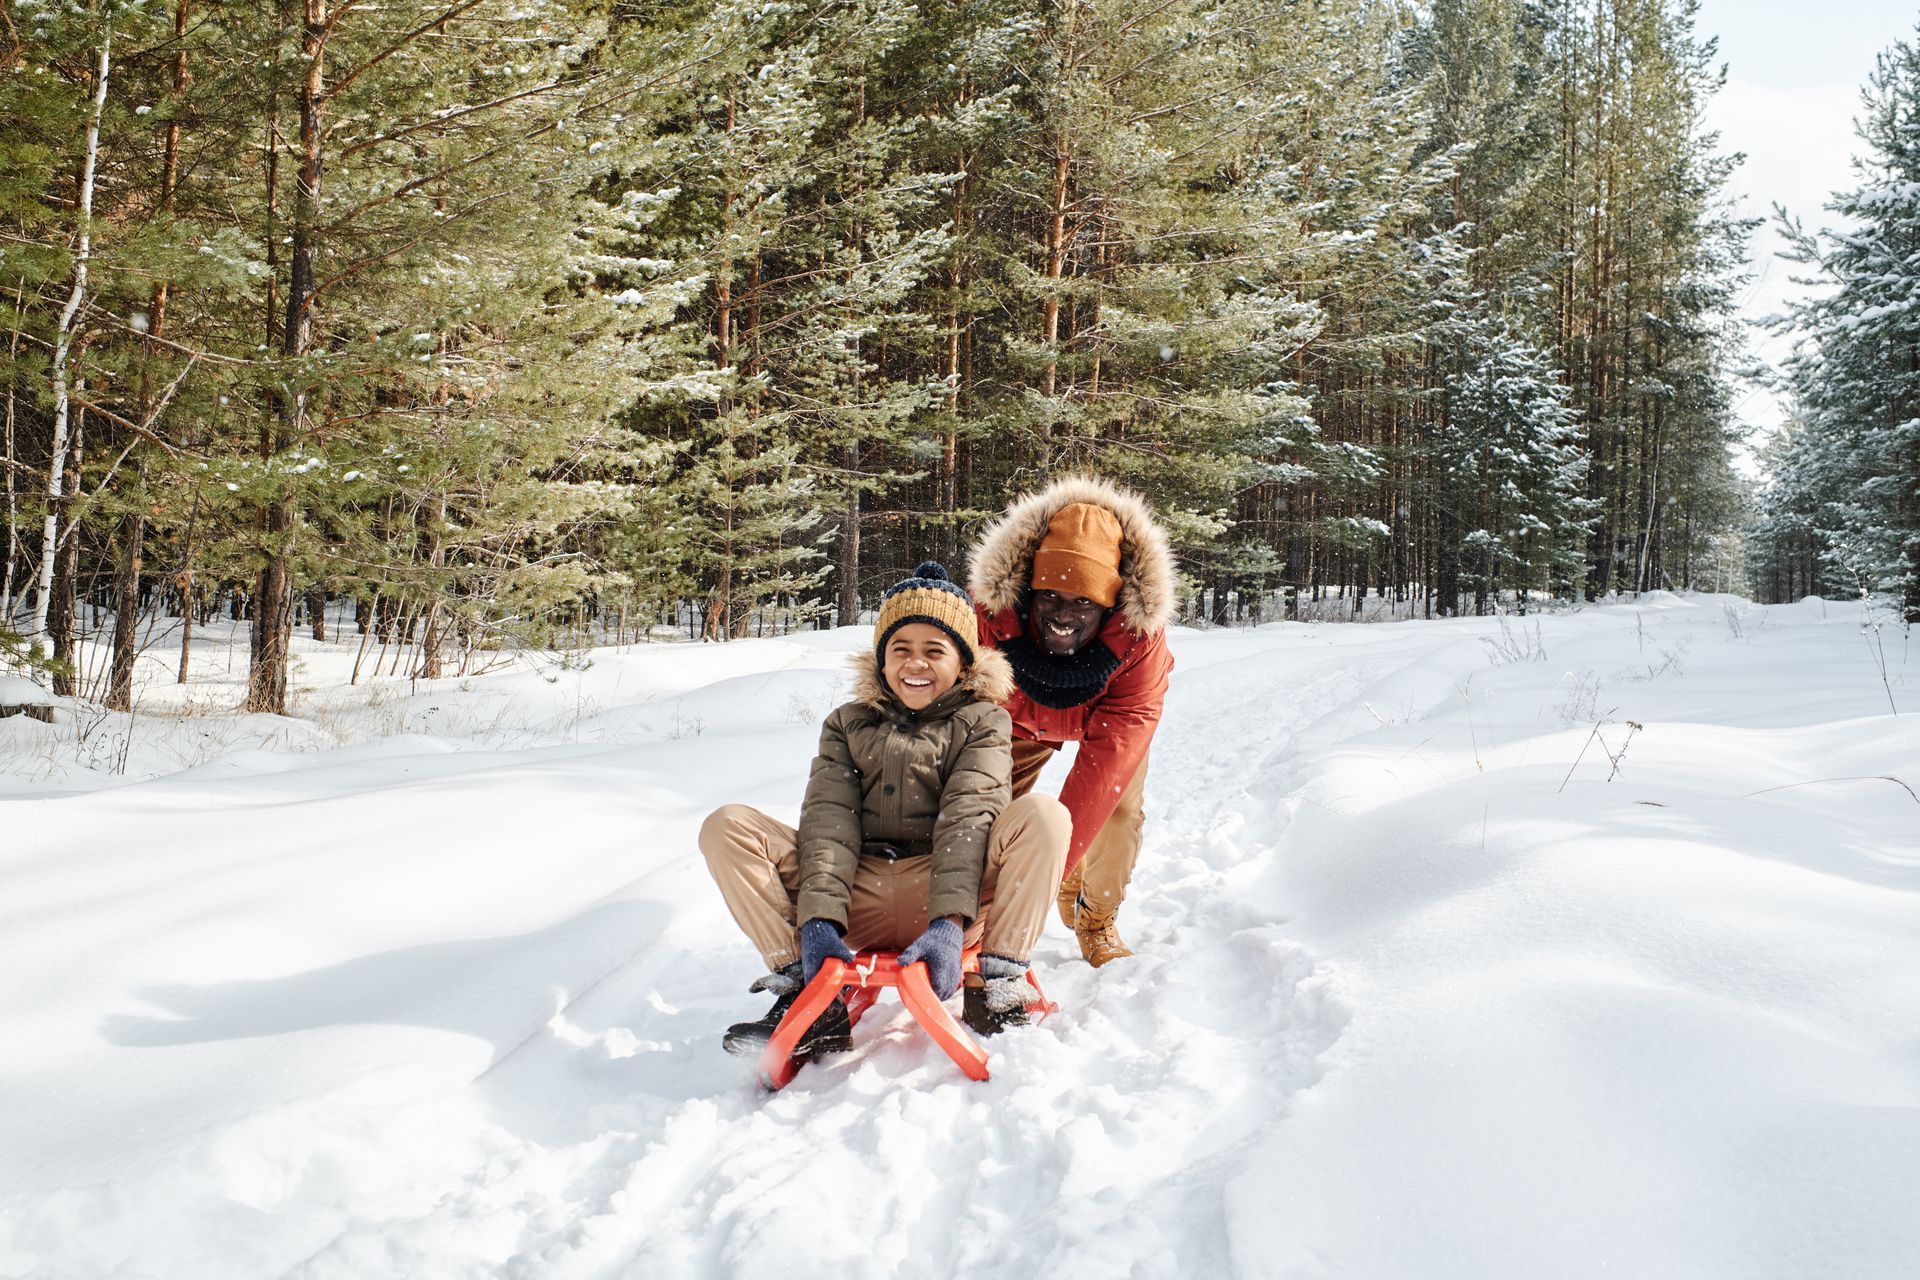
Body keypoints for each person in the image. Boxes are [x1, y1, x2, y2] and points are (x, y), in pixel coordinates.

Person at [699, 562, 1071, 1060]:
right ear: (881, 660)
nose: (915, 664)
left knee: (1044, 816)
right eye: (901, 650)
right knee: (728, 826)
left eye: (934, 651)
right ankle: (804, 994)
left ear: (963, 663)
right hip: (860, 894)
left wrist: (947, 923)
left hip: (952, 895)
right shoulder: (847, 724)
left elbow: (970, 816)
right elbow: (830, 824)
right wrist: (818, 924)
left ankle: (1000, 984)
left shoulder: (984, 720)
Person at [968, 476, 1176, 966]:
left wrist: (1039, 885)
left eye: (1084, 602)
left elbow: (1100, 777)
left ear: (1110, 606)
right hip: (1014, 717)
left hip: (1104, 717)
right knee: (982, 808)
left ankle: (1095, 919)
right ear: (1027, 593)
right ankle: (966, 914)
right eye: (1051, 597)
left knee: (1117, 811)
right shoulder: (987, 618)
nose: (1064, 615)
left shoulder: (1140, 641)